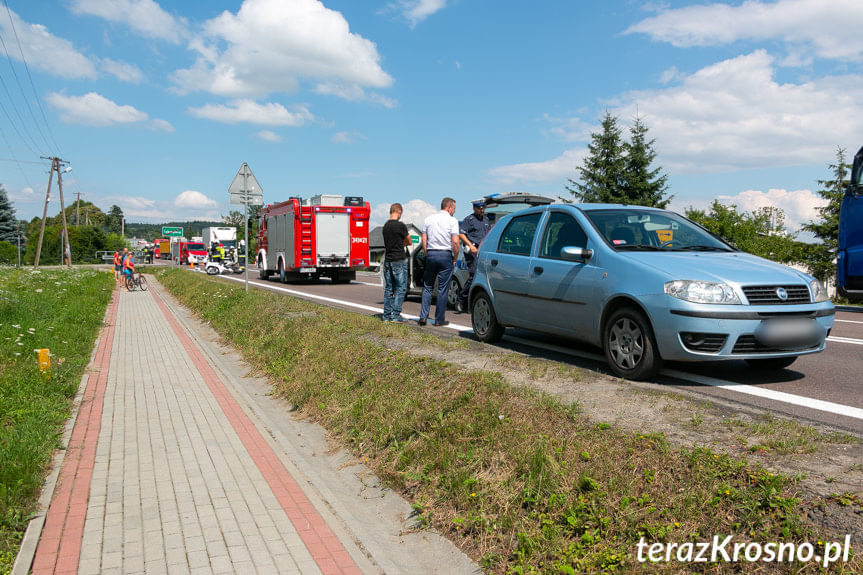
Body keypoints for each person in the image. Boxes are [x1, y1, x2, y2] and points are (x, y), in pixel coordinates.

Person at [418, 197, 459, 327]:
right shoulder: (452, 221)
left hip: (431, 253)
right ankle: (439, 319)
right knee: (442, 288)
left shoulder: (428, 219)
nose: (454, 211)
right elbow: (456, 242)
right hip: (445, 254)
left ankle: (423, 317)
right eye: (454, 208)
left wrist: (427, 253)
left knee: (428, 286)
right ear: (448, 207)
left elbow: (424, 240)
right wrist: (455, 257)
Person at [457, 198, 492, 313]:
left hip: (483, 251)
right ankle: (461, 300)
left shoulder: (486, 220)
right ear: (474, 208)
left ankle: (473, 302)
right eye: (479, 208)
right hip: (472, 251)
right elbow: (461, 234)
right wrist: (470, 246)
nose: (481, 210)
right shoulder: (469, 220)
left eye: (483, 207)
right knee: (474, 276)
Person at [381, 203, 411, 322]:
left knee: (389, 289)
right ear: (399, 211)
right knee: (400, 288)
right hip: (399, 259)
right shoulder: (400, 226)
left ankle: (386, 315)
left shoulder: (385, 226)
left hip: (388, 260)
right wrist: (403, 242)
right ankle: (396, 315)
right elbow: (408, 241)